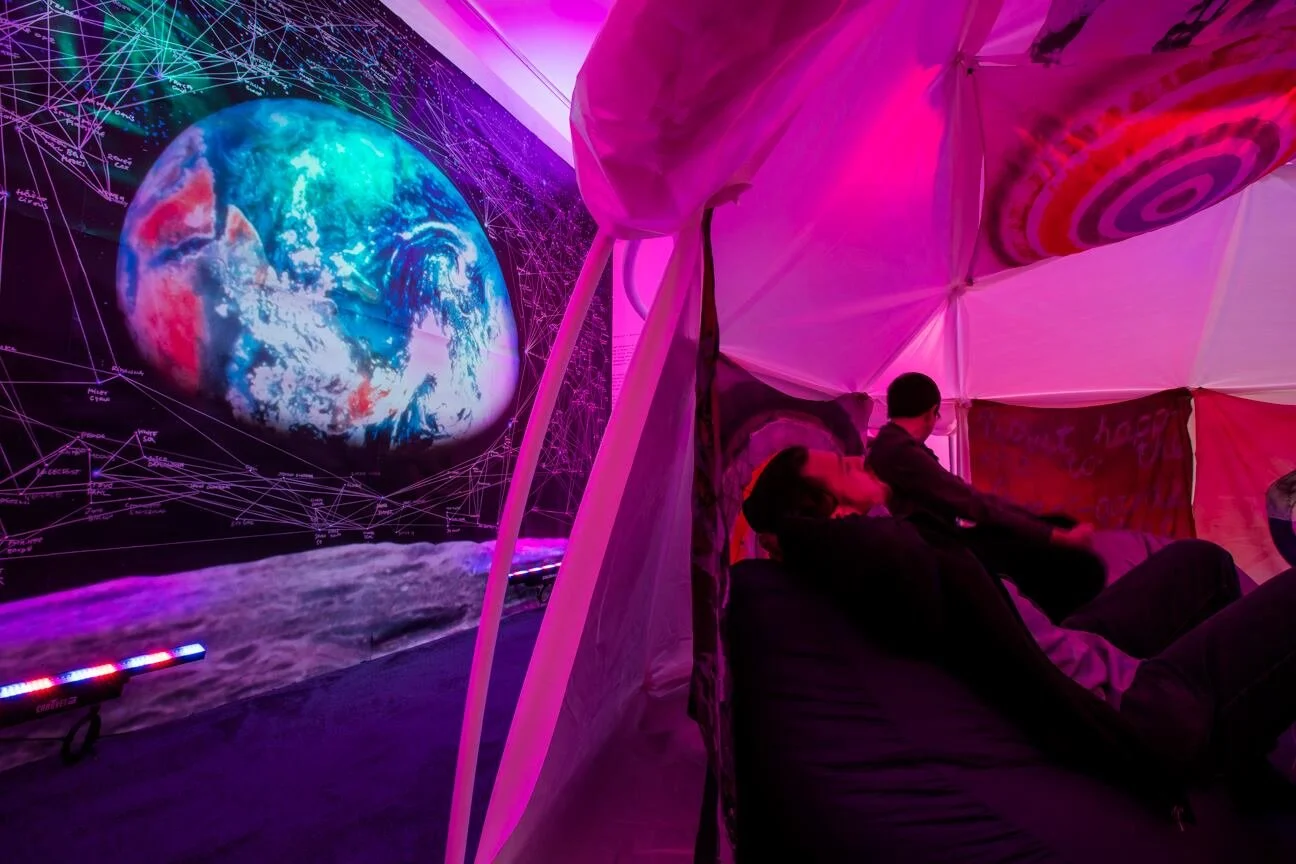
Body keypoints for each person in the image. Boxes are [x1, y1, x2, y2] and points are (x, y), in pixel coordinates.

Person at [742, 444, 1296, 820]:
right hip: (1126, 705)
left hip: (1057, 646)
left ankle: (1250, 757)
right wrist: (788, 530)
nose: (859, 459)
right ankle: (1232, 751)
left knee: (1201, 562)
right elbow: (894, 547)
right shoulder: (876, 557)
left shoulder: (885, 541)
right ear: (829, 512)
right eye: (843, 469)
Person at [867, 372, 1104, 620]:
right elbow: (971, 503)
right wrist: (1058, 537)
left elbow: (962, 497)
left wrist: (1045, 528)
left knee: (1056, 523)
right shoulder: (900, 452)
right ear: (931, 413)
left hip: (940, 541)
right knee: (1075, 562)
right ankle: (1056, 624)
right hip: (939, 551)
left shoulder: (890, 446)